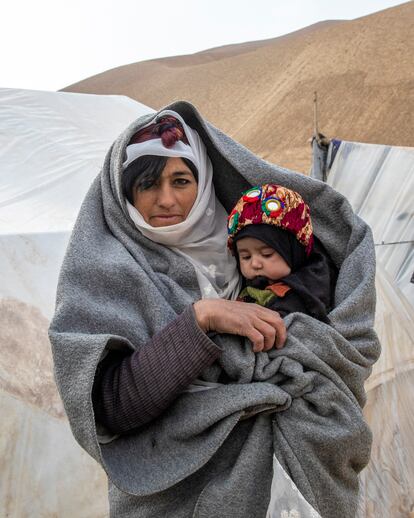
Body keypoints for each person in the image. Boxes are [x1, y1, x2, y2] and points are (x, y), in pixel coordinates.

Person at [49, 104, 380, 518]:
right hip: (175, 499)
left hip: (291, 486)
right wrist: (201, 319)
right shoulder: (108, 273)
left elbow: (342, 346)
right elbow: (113, 408)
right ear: (125, 193)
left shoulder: (262, 240)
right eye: (148, 184)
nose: (166, 199)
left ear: (204, 179)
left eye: (180, 180)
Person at [227, 183, 337, 322]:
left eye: (266, 254)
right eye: (245, 257)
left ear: (294, 251)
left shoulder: (304, 294)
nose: (255, 263)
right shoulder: (248, 285)